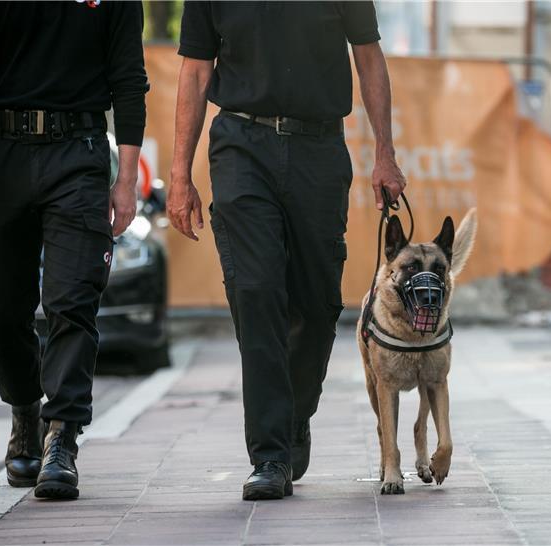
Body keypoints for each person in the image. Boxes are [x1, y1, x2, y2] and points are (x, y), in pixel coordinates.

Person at [169, 2, 406, 500]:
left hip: (318, 150)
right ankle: (270, 453)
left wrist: (385, 152)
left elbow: (368, 56)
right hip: (239, 145)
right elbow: (194, 71)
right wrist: (179, 174)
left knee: (317, 306)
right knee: (254, 292)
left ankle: (296, 413)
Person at [0, 1, 148, 499]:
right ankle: (24, 412)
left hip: (78, 153)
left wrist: (125, 179)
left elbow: (128, 78)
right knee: (3, 303)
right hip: (2, 152)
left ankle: (62, 436)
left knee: (72, 299)